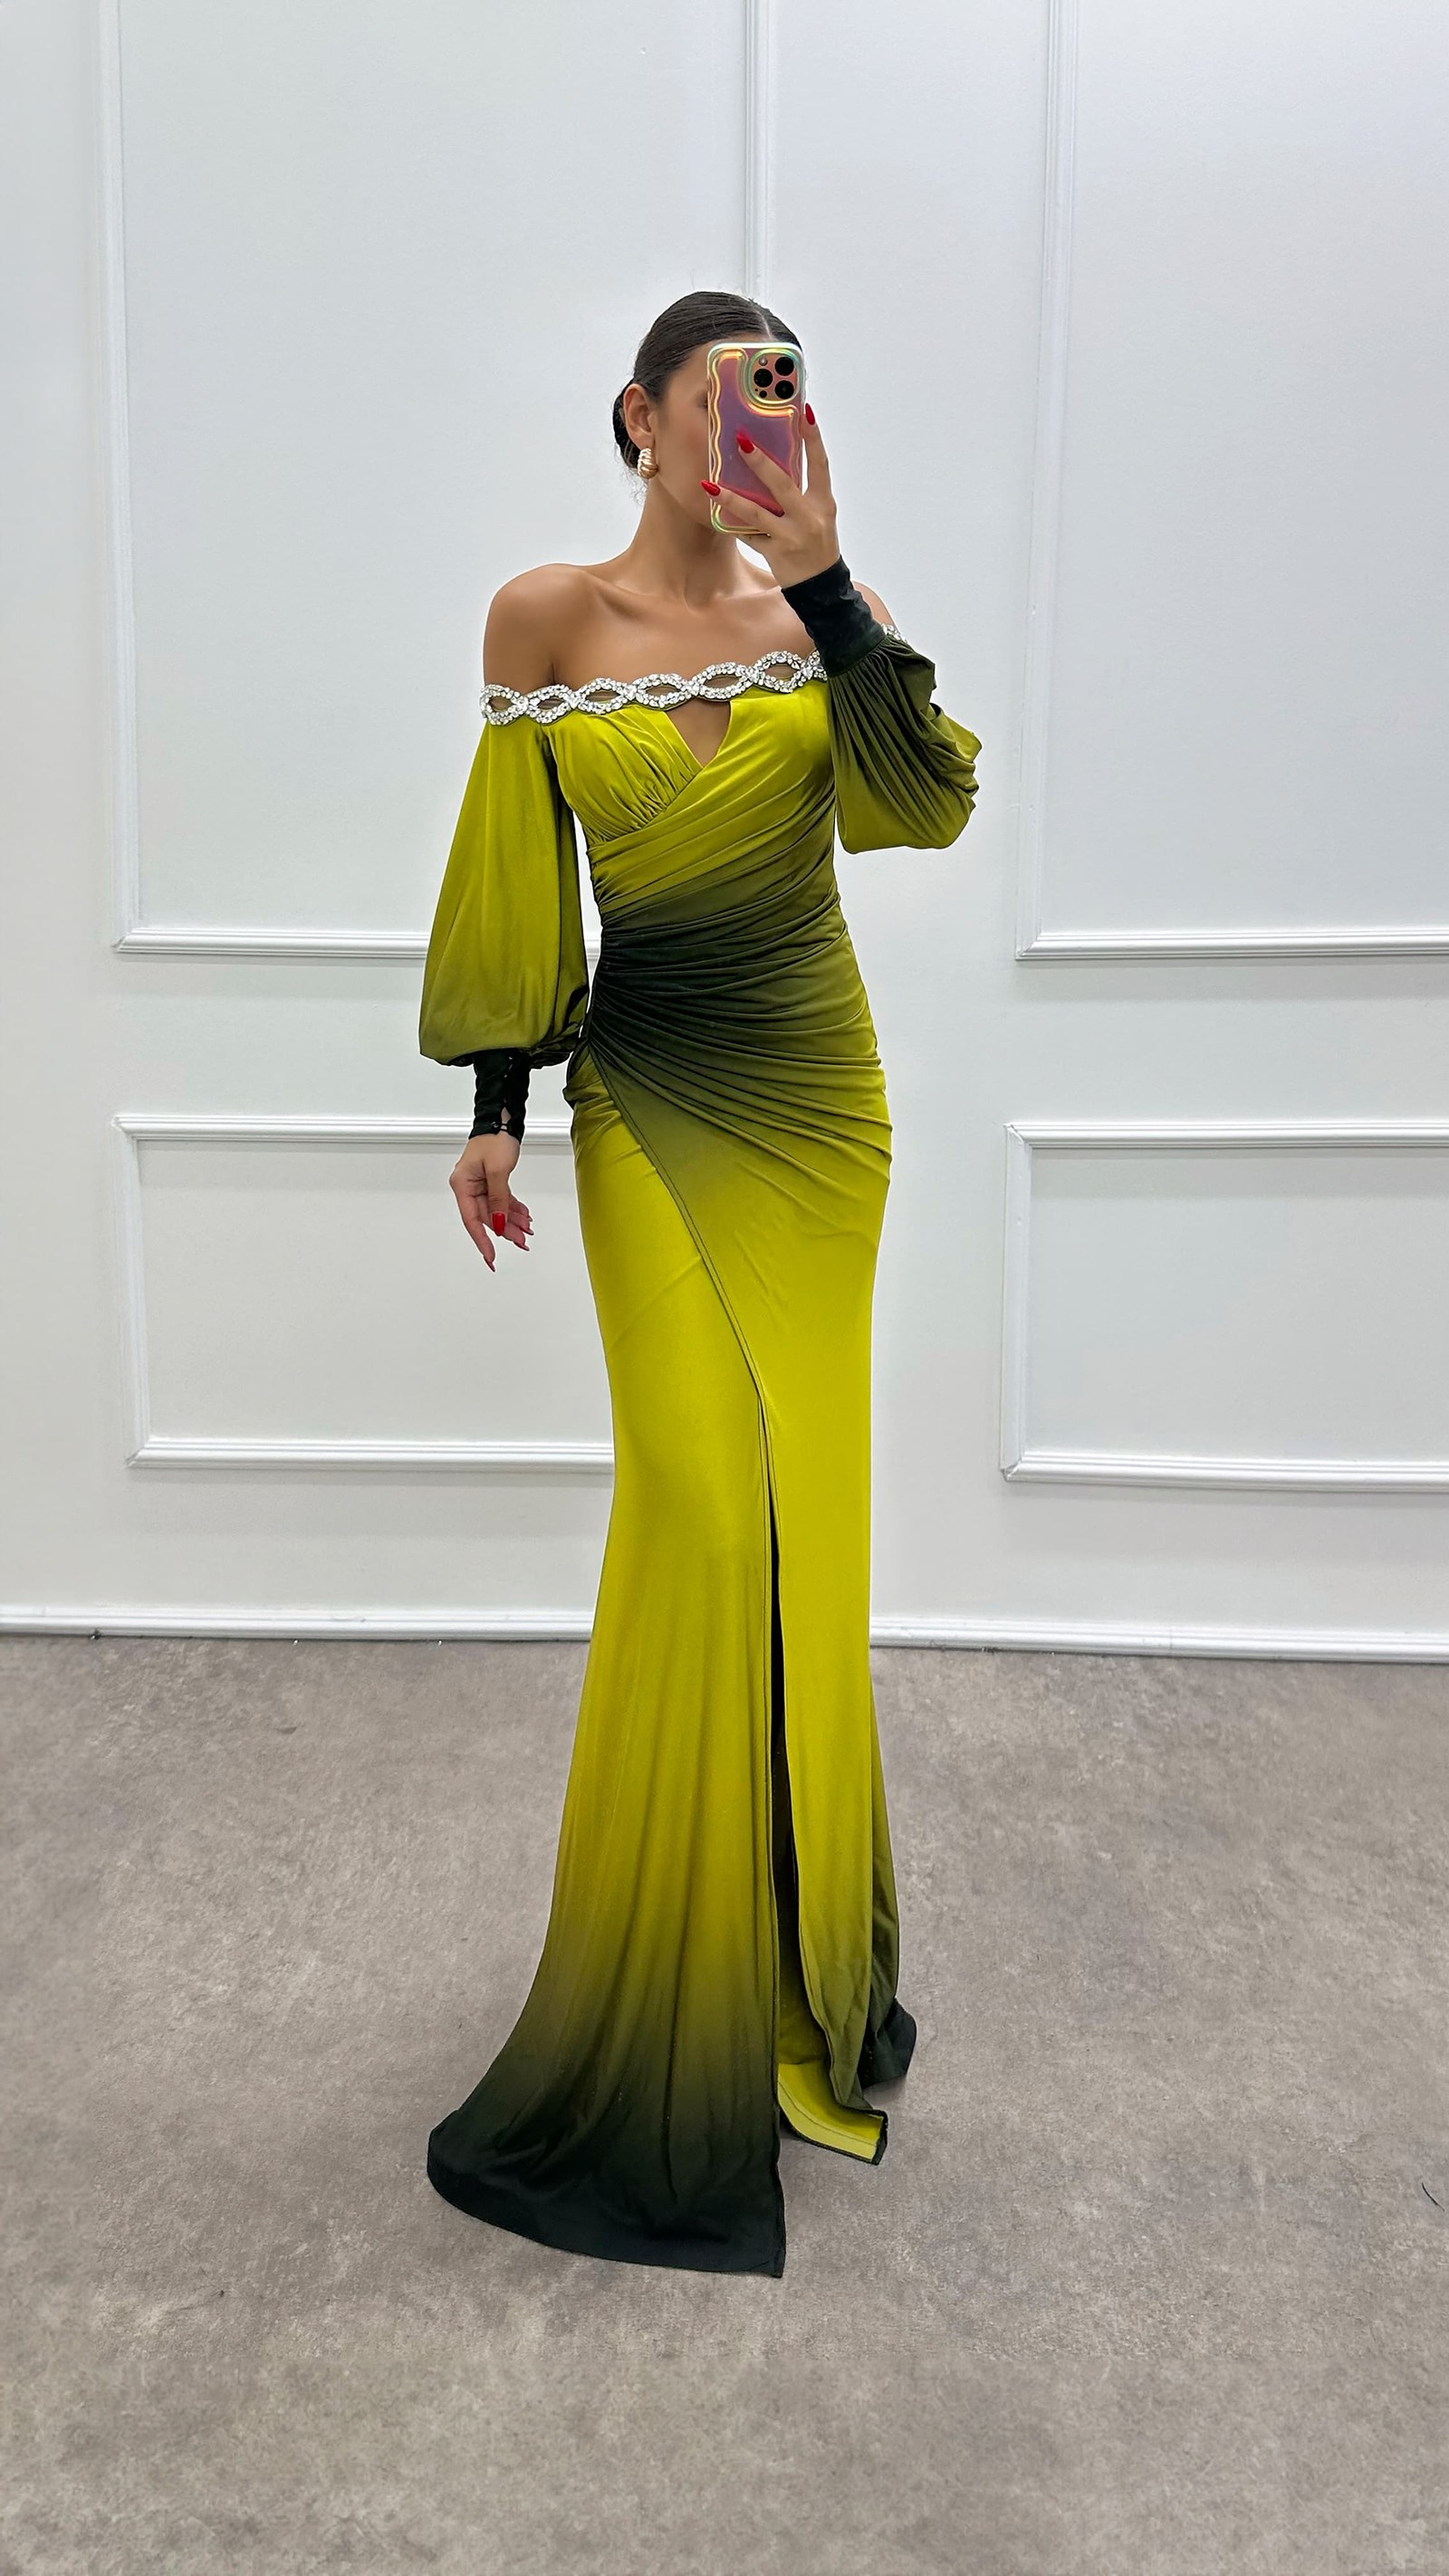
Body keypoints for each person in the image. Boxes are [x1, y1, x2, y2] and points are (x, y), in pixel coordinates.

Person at [417, 290, 980, 2277]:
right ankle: (665, 1976)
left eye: (783, 397)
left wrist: (823, 584)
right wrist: (496, 1106)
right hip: (649, 1096)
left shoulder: (826, 613)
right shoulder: (543, 620)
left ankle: (797, 1961)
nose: (759, 428)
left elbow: (923, 807)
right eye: (725, 396)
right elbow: (515, 863)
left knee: (800, 1518)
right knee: (695, 1495)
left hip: (820, 1111)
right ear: (640, 416)